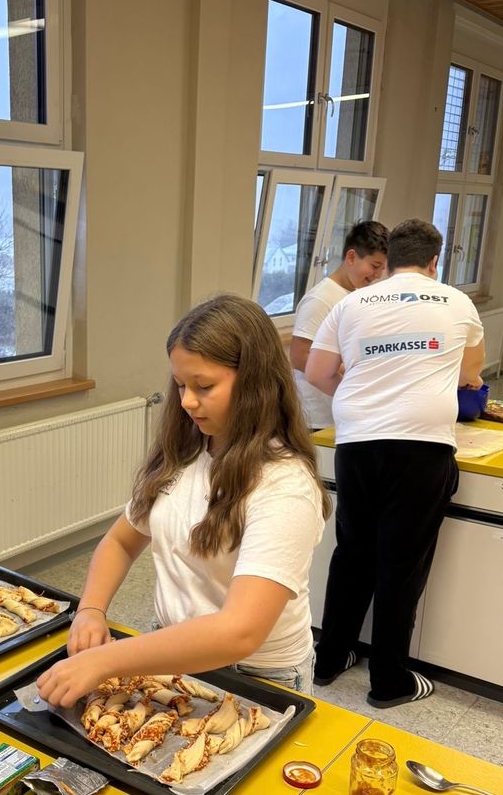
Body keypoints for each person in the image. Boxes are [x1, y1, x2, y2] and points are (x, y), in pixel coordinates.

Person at [37, 294, 331, 708]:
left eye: (204, 386)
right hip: (175, 650)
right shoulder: (185, 453)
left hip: (256, 674)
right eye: (180, 385)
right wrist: (90, 610)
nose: (188, 401)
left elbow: (239, 631)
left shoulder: (284, 484)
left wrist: (107, 660)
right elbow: (122, 541)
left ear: (255, 383)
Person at [305, 219, 484, 708]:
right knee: (401, 566)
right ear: (433, 262)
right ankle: (388, 680)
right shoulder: (458, 302)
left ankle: (329, 659)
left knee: (353, 553)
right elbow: (471, 376)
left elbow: (318, 370)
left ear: (390, 260)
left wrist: (365, 397)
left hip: (357, 443)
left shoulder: (350, 302)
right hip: (421, 449)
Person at [290, 220, 388, 429]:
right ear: (351, 257)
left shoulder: (359, 296)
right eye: (374, 266)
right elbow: (298, 357)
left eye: (382, 268)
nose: (377, 275)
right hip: (315, 417)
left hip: (342, 413)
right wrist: (348, 374)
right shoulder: (321, 299)